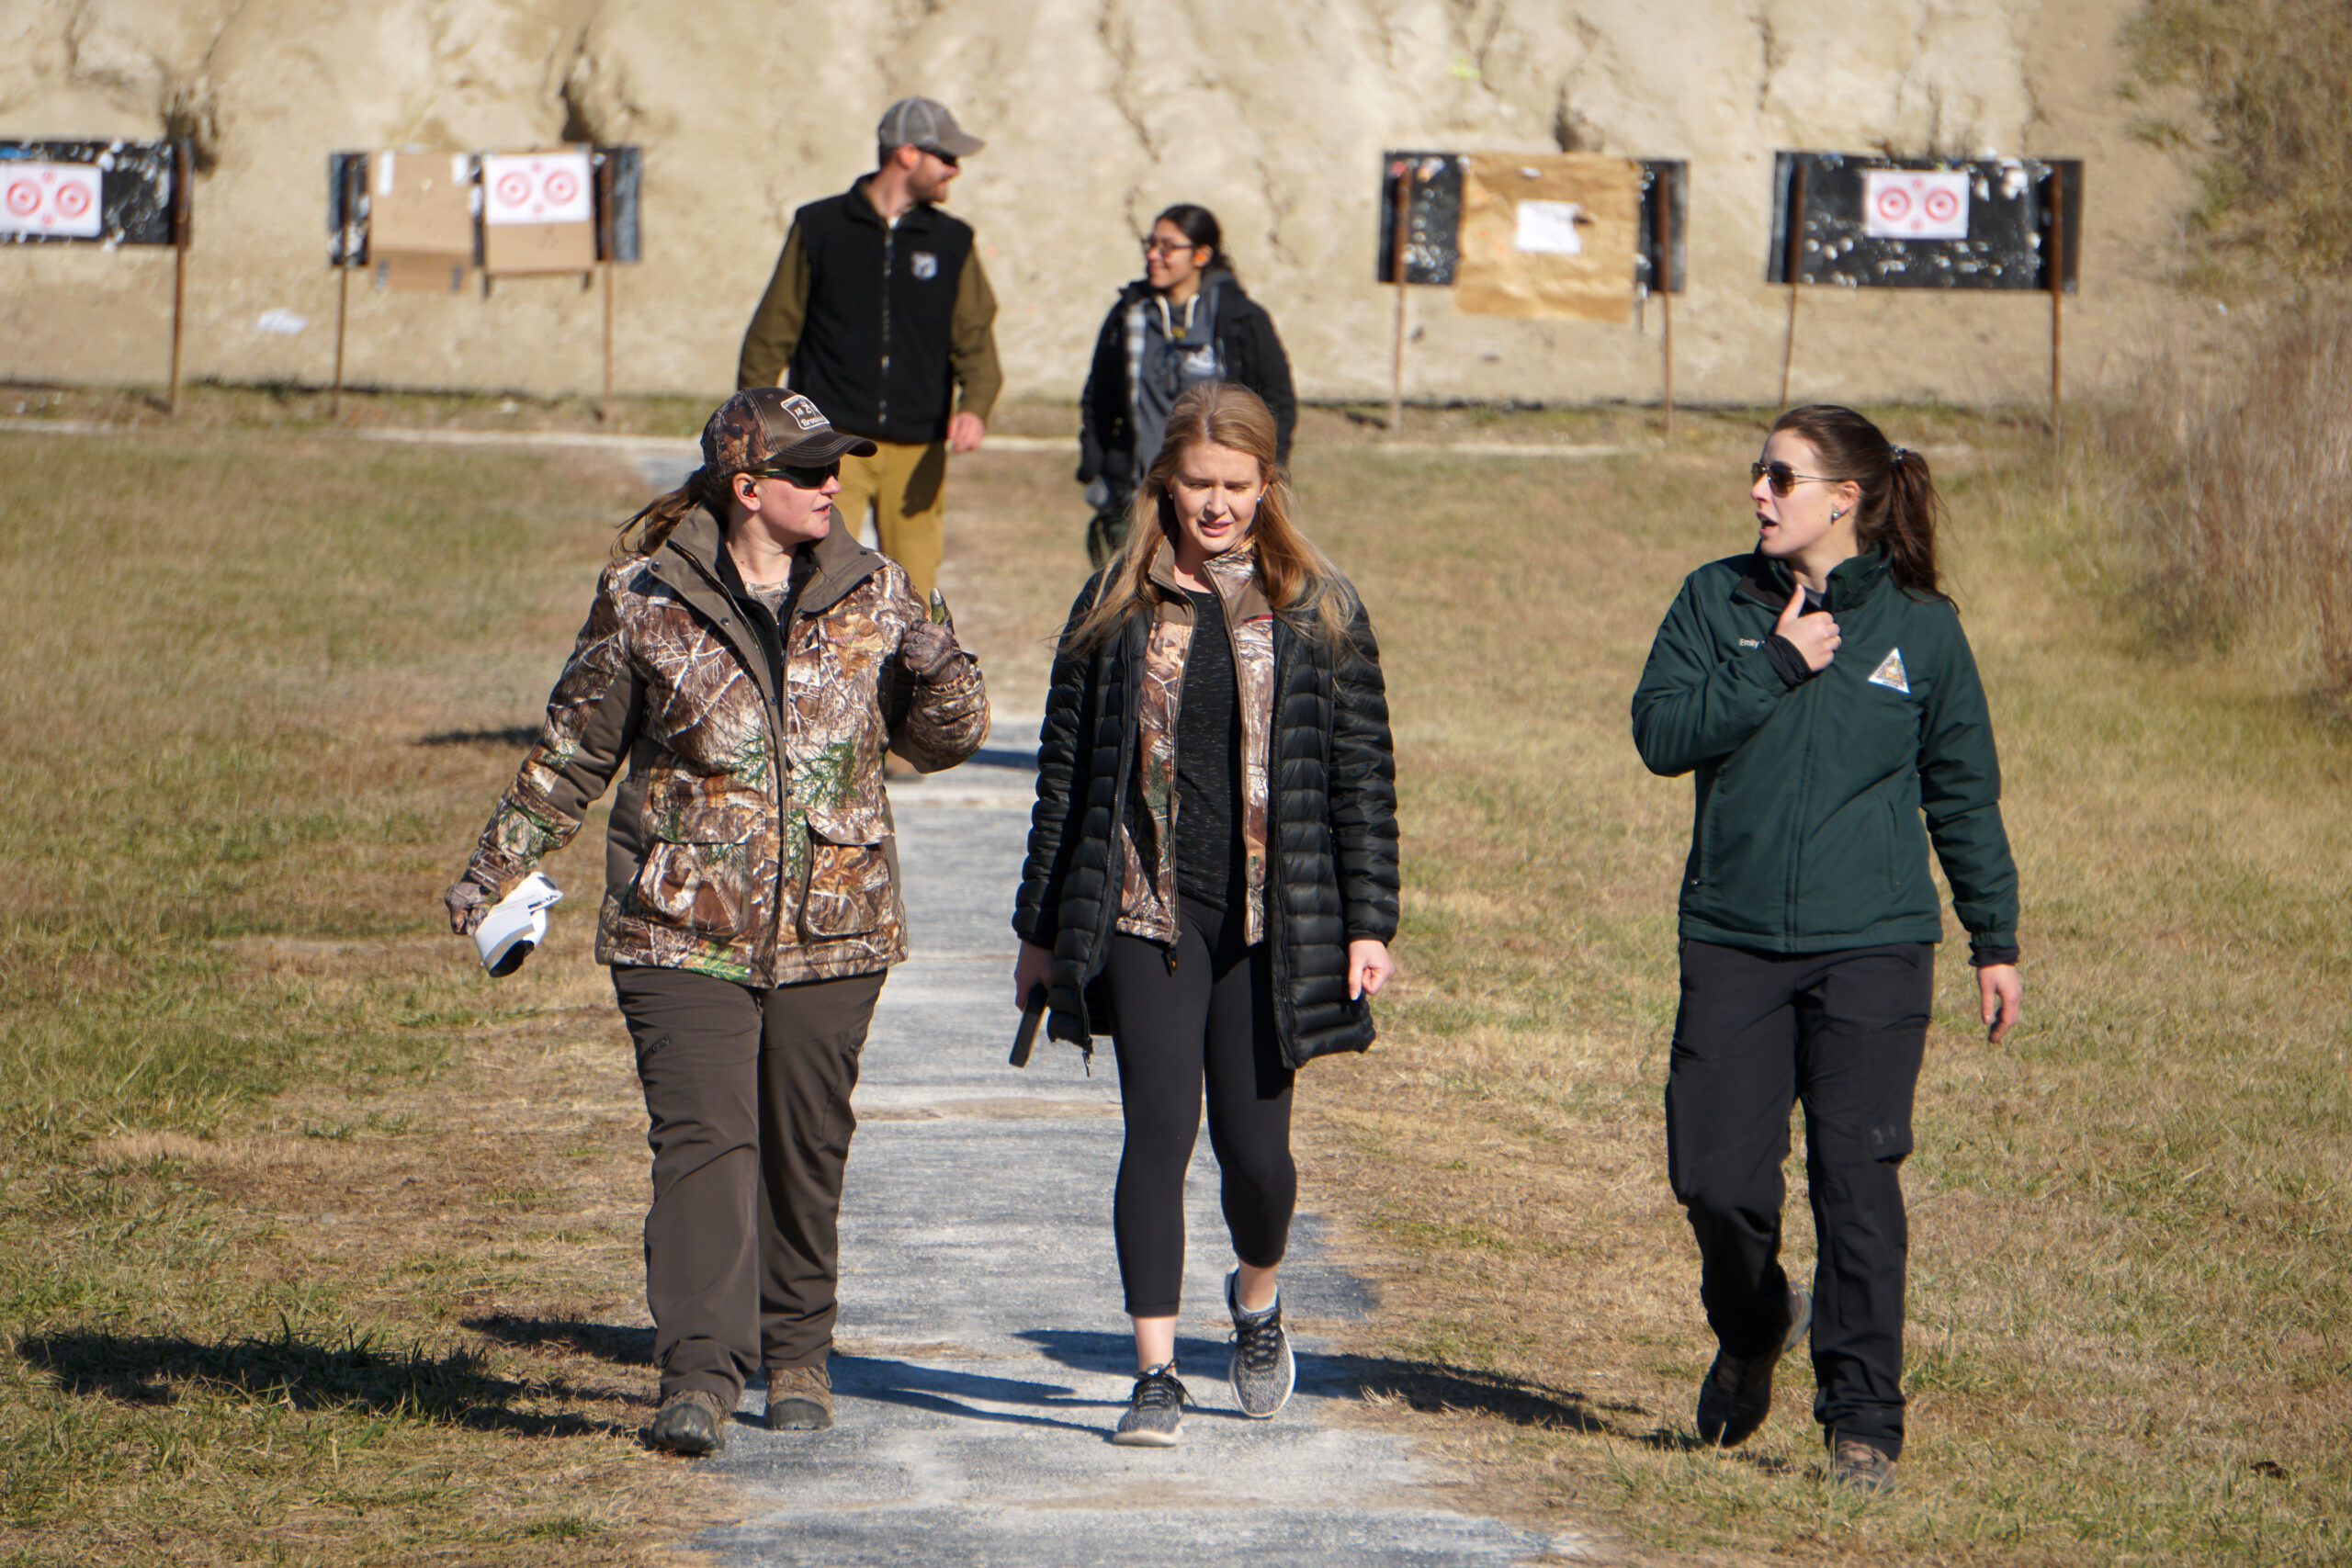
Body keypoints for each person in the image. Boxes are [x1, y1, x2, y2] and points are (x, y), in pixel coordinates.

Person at [441, 387, 989, 1456]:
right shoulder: (644, 598)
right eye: (809, 471)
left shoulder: (878, 593)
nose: (832, 485)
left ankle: (797, 1358)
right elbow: (574, 751)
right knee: (704, 1143)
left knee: (804, 1142)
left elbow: (947, 741)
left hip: (836, 923)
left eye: (836, 468)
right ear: (748, 488)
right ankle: (696, 1374)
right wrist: (494, 867)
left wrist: (937, 660)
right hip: (678, 922)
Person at [1630, 404, 2023, 1495]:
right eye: (1757, 474)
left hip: (1874, 949)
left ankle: (1863, 1424)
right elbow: (1660, 735)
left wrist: (1994, 936)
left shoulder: (1920, 631)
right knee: (1714, 1181)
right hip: (1733, 938)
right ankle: (1755, 1327)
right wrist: (1773, 663)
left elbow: (1963, 793)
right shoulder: (1717, 600)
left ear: (1842, 499)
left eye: (1779, 477)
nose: (1757, 492)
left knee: (1858, 1180)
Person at [1012, 381, 1397, 1447]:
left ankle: (1259, 1301)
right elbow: (1062, 780)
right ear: (1163, 484)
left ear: (1267, 485)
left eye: (1235, 486)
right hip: (1148, 914)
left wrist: (1370, 925)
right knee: (1157, 1137)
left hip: (1270, 926)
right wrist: (1037, 934)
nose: (1215, 505)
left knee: (1258, 1158)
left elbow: (1360, 776)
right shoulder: (1113, 605)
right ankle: (1154, 1374)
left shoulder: (1317, 606)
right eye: (1196, 486)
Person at [736, 96, 1002, 609]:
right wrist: (755, 423)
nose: (955, 169)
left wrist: (976, 404)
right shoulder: (819, 227)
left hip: (919, 447)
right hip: (830, 443)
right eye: (945, 157)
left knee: (917, 589)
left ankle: (920, 685)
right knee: (818, 576)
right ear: (907, 154)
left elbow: (975, 333)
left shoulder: (953, 241)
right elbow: (774, 330)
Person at [1076, 205, 1296, 565]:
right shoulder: (1128, 315)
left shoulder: (1241, 318)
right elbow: (1099, 398)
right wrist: (1096, 465)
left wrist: (1261, 474)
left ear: (1201, 254)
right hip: (1137, 493)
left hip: (1212, 503)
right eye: (1150, 244)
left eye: (1167, 246)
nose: (1153, 255)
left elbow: (1278, 400)